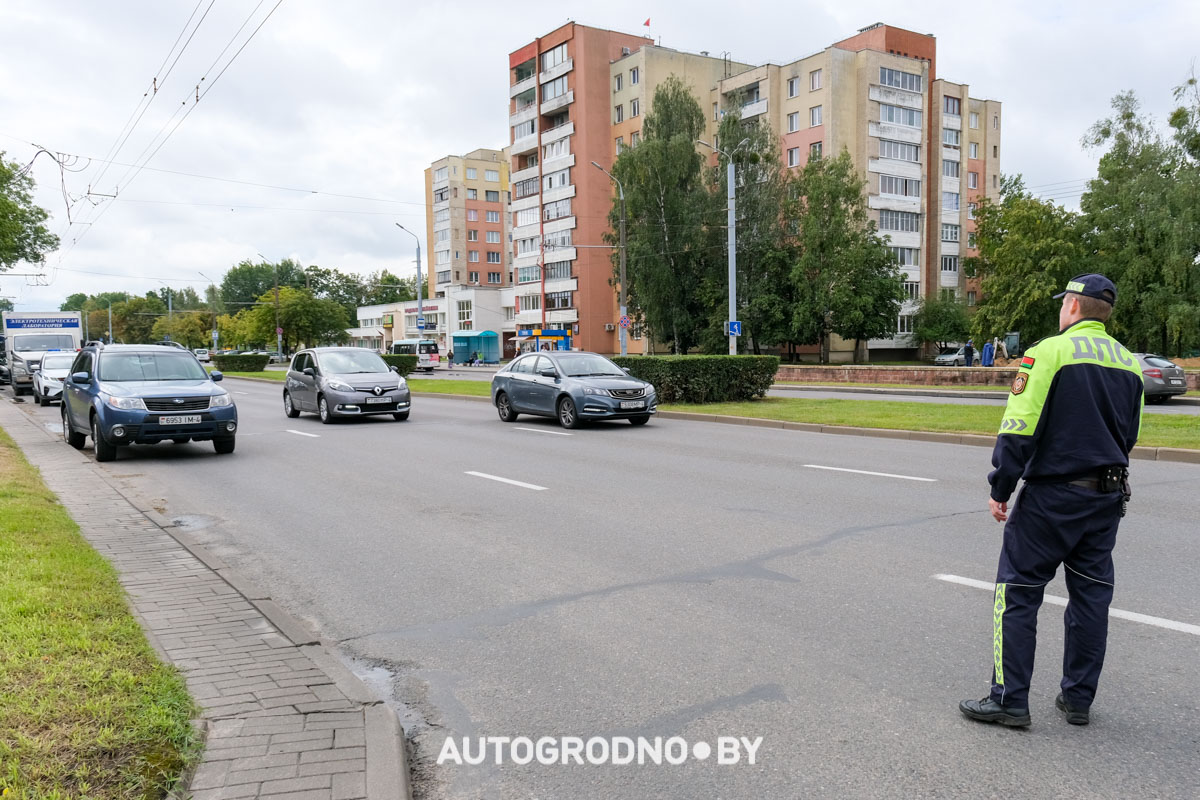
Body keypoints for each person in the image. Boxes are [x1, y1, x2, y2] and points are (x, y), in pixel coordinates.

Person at [960, 274, 1143, 728]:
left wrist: (1001, 488)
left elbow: (1019, 426)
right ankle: (1078, 699)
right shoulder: (1130, 364)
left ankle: (1009, 700)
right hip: (1106, 496)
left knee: (1018, 590)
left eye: (1065, 304)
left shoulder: (1048, 352)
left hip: (1052, 499)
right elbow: (1130, 436)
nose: (1062, 310)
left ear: (1075, 308)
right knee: (1091, 597)